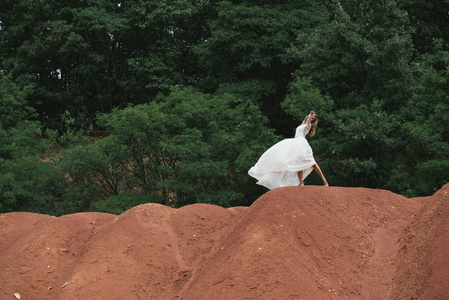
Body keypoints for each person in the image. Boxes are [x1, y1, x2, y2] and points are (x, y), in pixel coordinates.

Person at [248, 111, 328, 189]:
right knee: (298, 163)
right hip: (296, 143)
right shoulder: (301, 125)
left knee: (312, 163)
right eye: (311, 118)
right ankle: (301, 183)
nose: (311, 119)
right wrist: (310, 116)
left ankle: (324, 181)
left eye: (313, 119)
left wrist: (311, 115)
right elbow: (305, 122)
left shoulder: (308, 126)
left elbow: (307, 122)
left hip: (301, 143)